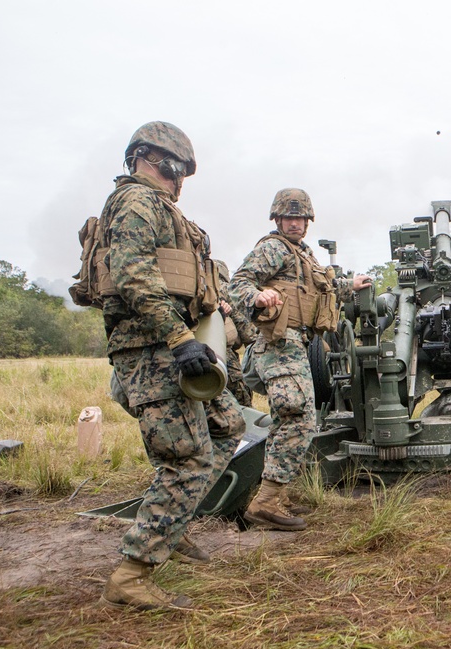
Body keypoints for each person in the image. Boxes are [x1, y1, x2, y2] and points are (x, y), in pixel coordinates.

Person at [97, 121, 245, 610]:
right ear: (149, 158)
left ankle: (171, 522)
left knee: (228, 425)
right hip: (153, 349)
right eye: (174, 166)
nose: (179, 177)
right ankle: (133, 574)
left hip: (175, 344)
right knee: (187, 458)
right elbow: (134, 275)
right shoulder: (136, 201)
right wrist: (180, 338)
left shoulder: (162, 209)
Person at [229, 188, 372, 531]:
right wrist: (258, 295)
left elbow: (319, 292)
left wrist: (350, 285)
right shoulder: (273, 248)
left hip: (297, 344)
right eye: (289, 217)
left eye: (300, 218)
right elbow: (238, 284)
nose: (295, 223)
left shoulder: (303, 255)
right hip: (278, 342)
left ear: (307, 222)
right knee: (300, 418)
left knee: (286, 419)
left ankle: (274, 495)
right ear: (278, 219)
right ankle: (265, 503)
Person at [215, 259, 258, 408]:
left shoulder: (200, 287)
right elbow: (244, 327)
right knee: (241, 399)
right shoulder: (225, 289)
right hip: (224, 353)